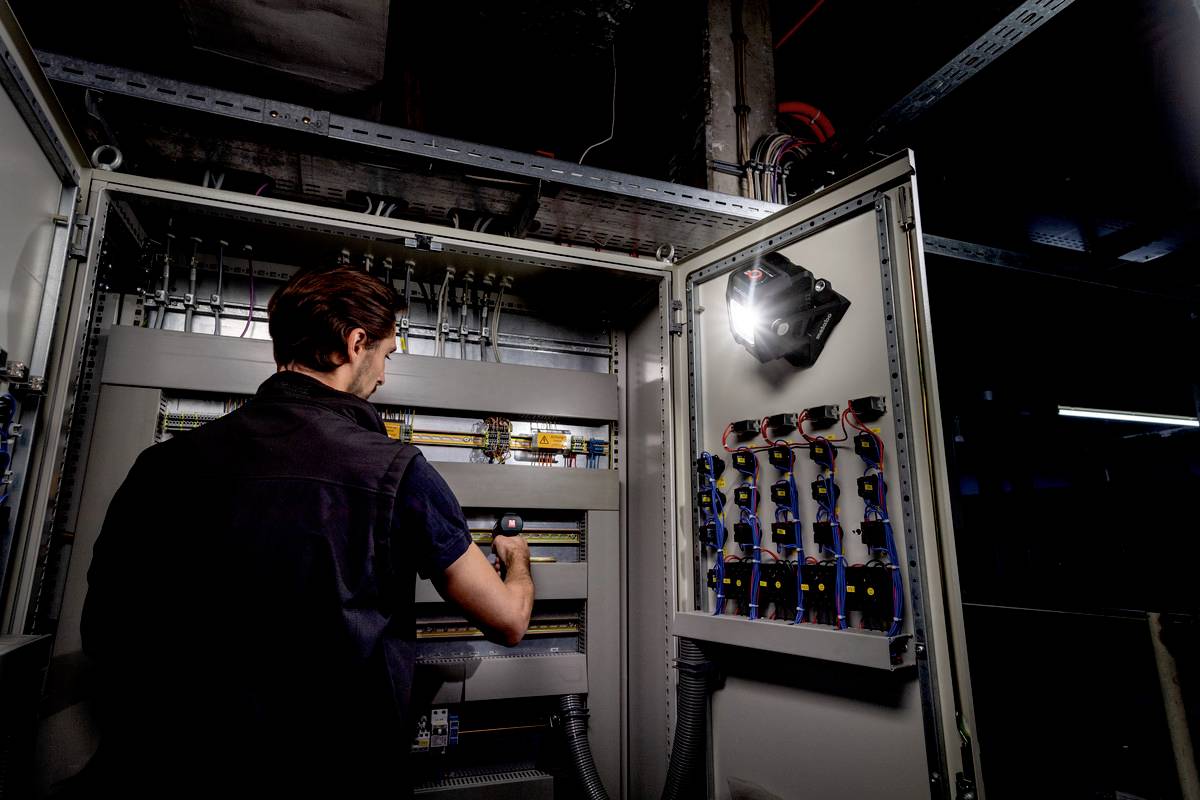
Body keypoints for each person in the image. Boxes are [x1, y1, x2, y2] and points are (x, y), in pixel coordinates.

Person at [80, 266, 533, 796]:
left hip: (170, 767)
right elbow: (507, 621)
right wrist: (516, 560)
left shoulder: (163, 465)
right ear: (355, 343)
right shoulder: (395, 472)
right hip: (333, 770)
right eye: (386, 355)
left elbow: (103, 631)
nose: (382, 376)